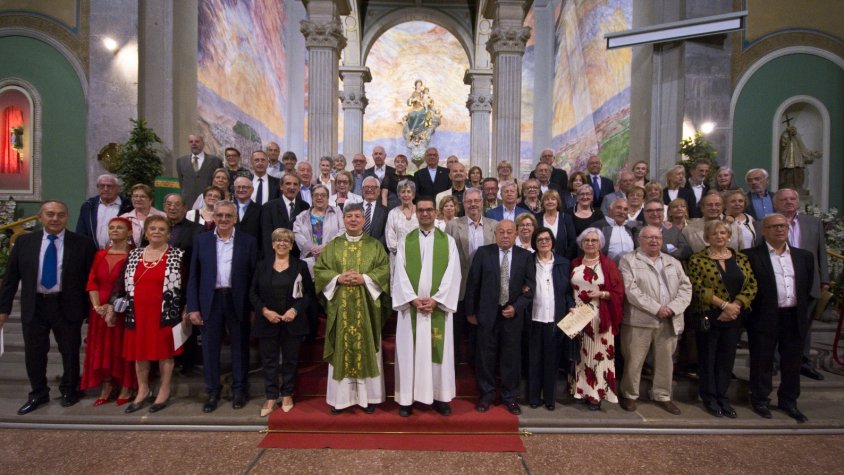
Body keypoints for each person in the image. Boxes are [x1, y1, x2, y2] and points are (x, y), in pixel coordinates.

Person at [0, 201, 97, 414]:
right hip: (35, 305)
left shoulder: (83, 244)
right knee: (34, 353)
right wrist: (3, 310)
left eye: (60, 215)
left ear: (67, 217)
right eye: (50, 214)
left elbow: (92, 280)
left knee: (70, 351)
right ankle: (38, 393)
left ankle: (70, 389)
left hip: (67, 305)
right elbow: (10, 280)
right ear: (40, 217)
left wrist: (92, 310)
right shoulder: (24, 243)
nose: (55, 219)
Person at [314, 203, 391, 414]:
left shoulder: (375, 246)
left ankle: (369, 399)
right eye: (349, 216)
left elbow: (385, 270)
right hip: (340, 308)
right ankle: (341, 400)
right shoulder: (333, 246)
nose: (354, 220)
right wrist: (338, 278)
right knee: (342, 346)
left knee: (365, 346)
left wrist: (364, 278)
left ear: (364, 220)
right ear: (344, 219)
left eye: (358, 216)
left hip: (366, 308)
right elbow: (320, 271)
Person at [391, 196, 462, 417]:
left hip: (437, 309)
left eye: (429, 210)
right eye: (421, 210)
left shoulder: (447, 241)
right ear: (416, 213)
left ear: (436, 213)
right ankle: (406, 399)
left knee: (437, 354)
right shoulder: (406, 240)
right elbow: (399, 273)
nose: (424, 214)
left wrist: (437, 300)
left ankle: (440, 397)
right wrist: (412, 299)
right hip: (411, 308)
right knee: (409, 353)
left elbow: (453, 274)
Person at [187, 201, 257, 412]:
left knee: (240, 348)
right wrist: (193, 307)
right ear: (214, 217)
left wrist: (253, 307)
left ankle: (239, 390)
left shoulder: (248, 241)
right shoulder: (202, 240)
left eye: (228, 216)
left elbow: (254, 277)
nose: (224, 219)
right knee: (210, 349)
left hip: (238, 301)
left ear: (235, 218)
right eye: (220, 215)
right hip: (210, 301)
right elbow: (193, 276)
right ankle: (213, 392)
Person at [745, 213, 815, 422]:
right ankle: (760, 400)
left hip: (793, 315)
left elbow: (807, 286)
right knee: (762, 360)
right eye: (774, 226)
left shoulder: (804, 257)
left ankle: (788, 401)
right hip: (764, 316)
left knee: (792, 361)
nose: (779, 230)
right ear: (764, 231)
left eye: (783, 226)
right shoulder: (751, 256)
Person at [618, 226, 692, 415]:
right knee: (634, 360)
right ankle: (629, 394)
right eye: (649, 237)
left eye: (657, 238)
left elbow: (686, 287)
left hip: (669, 319)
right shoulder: (628, 260)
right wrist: (656, 308)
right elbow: (631, 290)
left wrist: (673, 308)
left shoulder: (672, 261)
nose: (654, 241)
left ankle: (663, 395)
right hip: (640, 320)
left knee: (665, 361)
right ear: (639, 239)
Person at [687, 220, 757, 418]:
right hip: (710, 314)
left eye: (723, 233)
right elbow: (697, 287)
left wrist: (736, 306)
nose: (719, 236)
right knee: (708, 358)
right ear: (707, 237)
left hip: (735, 315)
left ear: (729, 236)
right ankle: (709, 397)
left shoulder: (741, 259)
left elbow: (751, 284)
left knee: (727, 359)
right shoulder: (697, 259)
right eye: (715, 233)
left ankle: (723, 397)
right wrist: (724, 306)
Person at [464, 220, 535, 415]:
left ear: (516, 235)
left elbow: (530, 289)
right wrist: (470, 312)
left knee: (511, 358)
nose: (505, 236)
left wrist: (517, 307)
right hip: (486, 315)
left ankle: (509, 397)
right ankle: (486, 395)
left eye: (509, 232)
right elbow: (473, 284)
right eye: (501, 232)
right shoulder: (483, 253)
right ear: (495, 234)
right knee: (485, 357)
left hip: (512, 316)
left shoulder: (525, 257)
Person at [119, 215, 187, 413]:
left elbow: (186, 284)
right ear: (146, 233)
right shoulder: (133, 255)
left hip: (165, 312)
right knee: (140, 353)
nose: (157, 232)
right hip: (137, 312)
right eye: (153, 229)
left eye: (162, 229)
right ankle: (143, 389)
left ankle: (164, 390)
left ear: (169, 234)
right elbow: (122, 283)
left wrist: (186, 307)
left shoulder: (177, 255)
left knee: (165, 353)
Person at [250, 227, 315, 416]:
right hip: (267, 321)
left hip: (292, 322)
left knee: (290, 360)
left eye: (286, 241)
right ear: (272, 244)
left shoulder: (300, 266)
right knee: (269, 361)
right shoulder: (262, 265)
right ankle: (271, 396)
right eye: (278, 240)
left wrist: (295, 310)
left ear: (292, 245)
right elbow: (252, 293)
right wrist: (264, 311)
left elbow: (307, 294)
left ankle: (287, 393)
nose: (282, 243)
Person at [773, 188, 829, 381]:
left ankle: (802, 362)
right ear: (776, 203)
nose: (789, 202)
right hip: (779, 281)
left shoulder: (813, 223)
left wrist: (825, 280)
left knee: (804, 325)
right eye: (784, 199)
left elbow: (821, 252)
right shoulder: (768, 223)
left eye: (792, 199)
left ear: (797, 202)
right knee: (777, 324)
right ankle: (775, 361)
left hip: (809, 282)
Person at [82, 217, 137, 406]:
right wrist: (97, 306)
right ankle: (107, 385)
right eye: (111, 227)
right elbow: (92, 282)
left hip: (124, 307)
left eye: (120, 227)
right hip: (99, 309)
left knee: (121, 347)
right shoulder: (100, 255)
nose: (114, 230)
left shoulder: (135, 254)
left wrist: (113, 306)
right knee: (102, 347)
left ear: (129, 232)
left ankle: (126, 385)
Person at [569, 227, 624, 410]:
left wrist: (602, 293)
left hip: (600, 317)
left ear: (600, 243)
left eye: (594, 240)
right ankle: (580, 390)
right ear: (581, 243)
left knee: (598, 358)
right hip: (577, 317)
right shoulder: (575, 262)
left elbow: (619, 293)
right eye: (587, 240)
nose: (590, 243)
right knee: (581, 357)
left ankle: (596, 395)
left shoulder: (608, 265)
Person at [445, 188, 498, 366]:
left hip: (485, 291)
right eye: (469, 201)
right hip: (459, 288)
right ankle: (453, 376)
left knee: (482, 339)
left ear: (482, 203)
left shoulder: (494, 225)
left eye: (476, 200)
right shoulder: (453, 225)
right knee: (456, 336)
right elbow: (446, 256)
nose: (473, 204)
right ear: (464, 204)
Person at [526, 227, 572, 411]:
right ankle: (534, 397)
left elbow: (568, 291)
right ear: (535, 243)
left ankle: (550, 398)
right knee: (534, 360)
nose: (544, 242)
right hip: (534, 318)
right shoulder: (528, 261)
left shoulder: (563, 263)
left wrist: (570, 305)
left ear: (552, 241)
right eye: (539, 240)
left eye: (547, 239)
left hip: (555, 319)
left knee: (551, 361)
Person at [293, 184, 345, 276]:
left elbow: (343, 230)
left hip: (332, 259)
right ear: (312, 197)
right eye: (316, 195)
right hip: (308, 259)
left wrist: (325, 247)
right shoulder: (302, 216)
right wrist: (311, 248)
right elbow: (297, 233)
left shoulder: (337, 212)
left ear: (328, 197)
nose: (319, 197)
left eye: (323, 195)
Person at [260, 172, 310, 258]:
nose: (292, 187)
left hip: (298, 258)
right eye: (288, 184)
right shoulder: (269, 207)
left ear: (299, 188)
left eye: (295, 184)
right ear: (281, 186)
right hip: (276, 257)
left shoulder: (305, 206)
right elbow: (267, 238)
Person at [76, 174, 133, 248]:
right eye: (102, 186)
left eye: (109, 186)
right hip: (92, 254)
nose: (105, 189)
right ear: (98, 188)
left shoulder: (128, 206)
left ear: (118, 189)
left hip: (119, 252)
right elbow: (81, 232)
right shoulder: (88, 206)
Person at [176, 134, 223, 206]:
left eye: (197, 141)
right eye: (191, 142)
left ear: (203, 143)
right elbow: (181, 182)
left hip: (209, 202)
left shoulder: (215, 161)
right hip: (188, 202)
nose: (194, 144)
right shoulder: (180, 161)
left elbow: (219, 182)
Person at [385, 179, 418, 267]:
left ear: (413, 194)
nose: (406, 195)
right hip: (398, 258)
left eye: (409, 191)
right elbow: (390, 237)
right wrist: (402, 253)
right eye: (403, 192)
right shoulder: (392, 213)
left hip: (418, 256)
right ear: (399, 195)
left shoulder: (421, 212)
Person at [537, 189, 577, 260]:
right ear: (542, 202)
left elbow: (572, 241)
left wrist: (565, 260)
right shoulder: (537, 218)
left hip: (563, 260)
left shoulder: (566, 218)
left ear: (558, 202)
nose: (550, 201)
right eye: (547, 199)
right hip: (541, 259)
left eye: (553, 199)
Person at [601, 198, 635, 262]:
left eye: (625, 209)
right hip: (605, 268)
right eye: (619, 208)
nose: (622, 212)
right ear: (610, 210)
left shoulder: (629, 229)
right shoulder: (599, 226)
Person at [361, 176, 389, 243]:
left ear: (379, 191)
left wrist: (375, 248)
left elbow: (386, 234)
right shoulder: (354, 208)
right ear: (362, 190)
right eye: (367, 187)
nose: (370, 190)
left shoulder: (385, 211)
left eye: (373, 187)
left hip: (377, 249)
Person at [232, 176, 261, 241]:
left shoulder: (260, 210)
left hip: (252, 248)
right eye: (238, 187)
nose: (241, 190)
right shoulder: (228, 208)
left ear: (252, 190)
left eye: (244, 187)